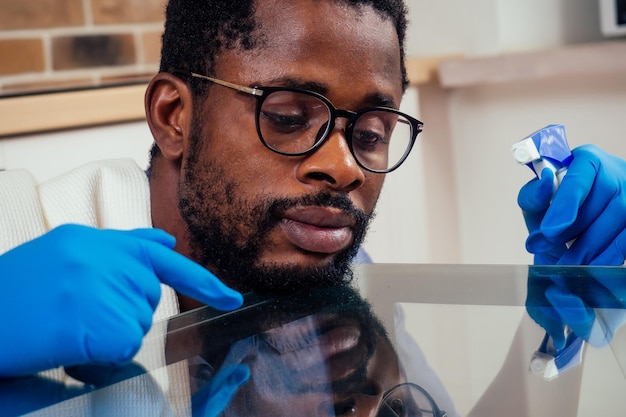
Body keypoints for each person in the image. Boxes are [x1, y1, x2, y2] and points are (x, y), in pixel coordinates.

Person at [2, 0, 626, 412]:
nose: (345, 165)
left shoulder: (341, 290)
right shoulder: (21, 230)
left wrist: (560, 317)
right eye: (289, 117)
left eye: (373, 132)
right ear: (174, 117)